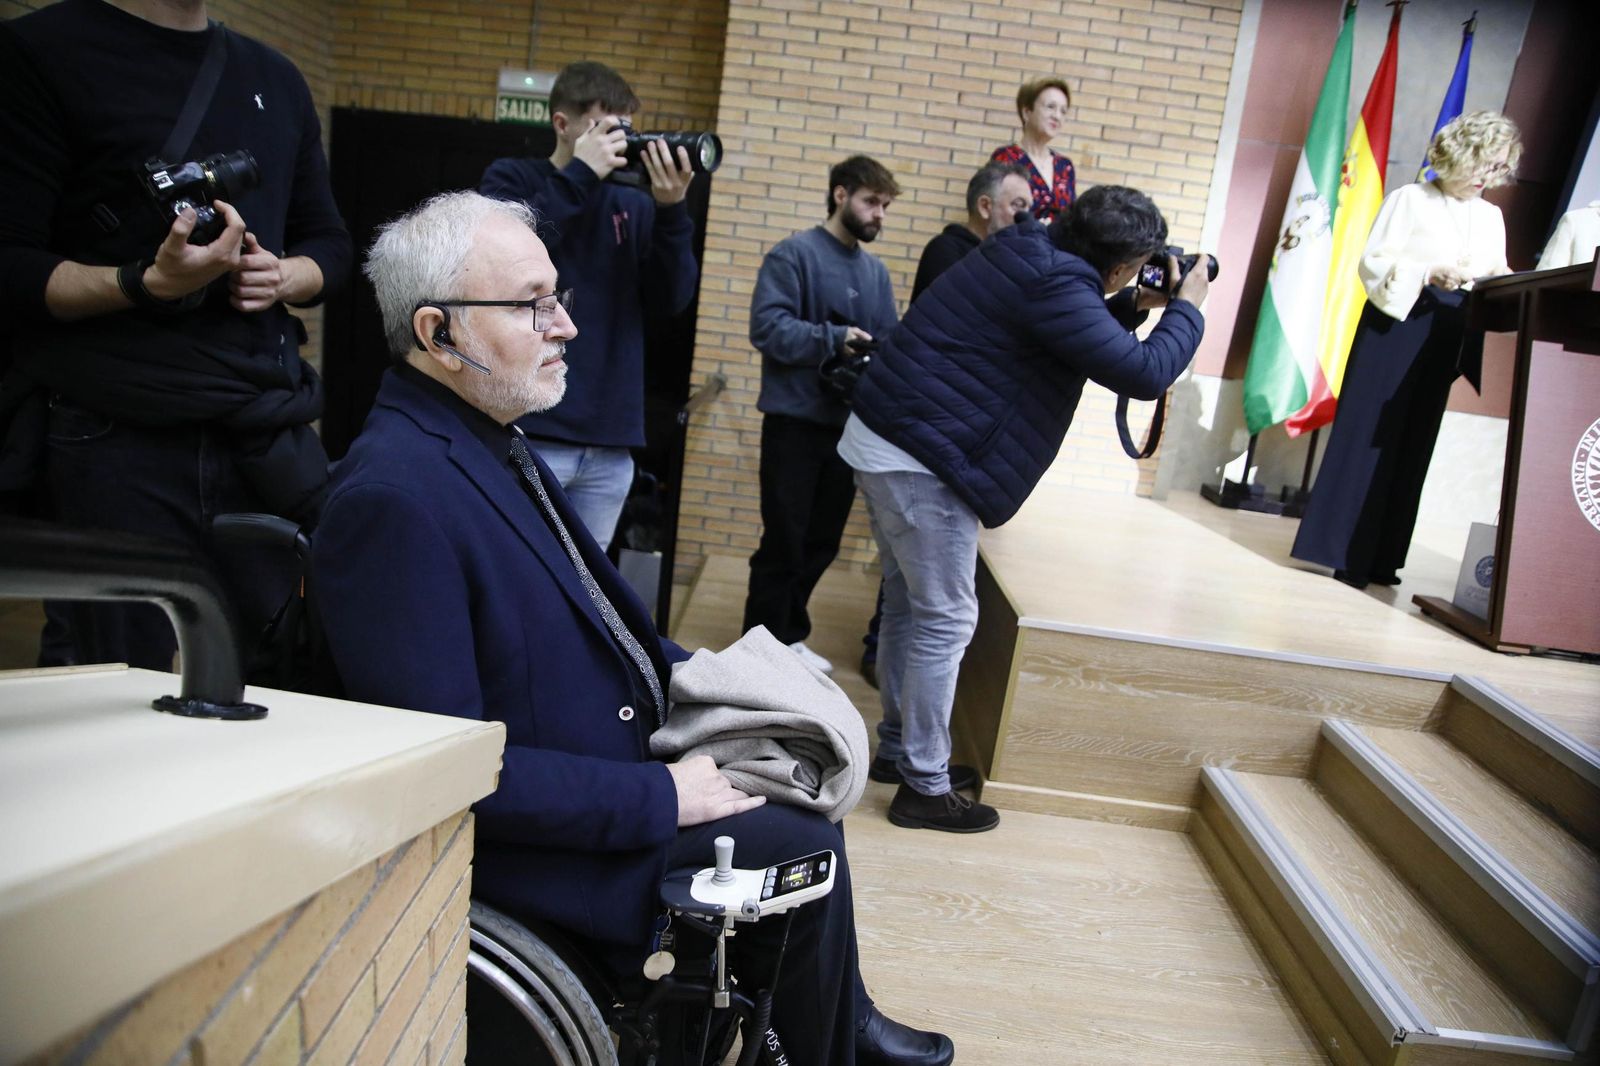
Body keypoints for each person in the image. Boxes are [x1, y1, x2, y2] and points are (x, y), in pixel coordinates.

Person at [313, 191, 953, 1066]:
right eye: (532, 304)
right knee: (802, 836)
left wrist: (742, 707)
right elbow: (442, 777)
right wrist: (663, 796)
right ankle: (833, 1040)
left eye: (558, 296)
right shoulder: (391, 499)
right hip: (540, 851)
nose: (566, 325)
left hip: (608, 764)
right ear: (438, 333)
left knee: (796, 778)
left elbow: (609, 621)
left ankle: (836, 1023)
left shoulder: (484, 437)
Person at [840, 186, 1209, 832]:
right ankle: (922, 787)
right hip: (923, 458)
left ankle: (903, 750)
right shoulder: (1056, 282)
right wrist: (1189, 310)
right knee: (946, 618)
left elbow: (1066, 328)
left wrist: (1130, 305)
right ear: (1119, 265)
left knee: (908, 603)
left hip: (888, 439)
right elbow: (1147, 373)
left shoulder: (1031, 247)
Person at [0, 0, 351, 672]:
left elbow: (330, 245)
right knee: (112, 678)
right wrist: (142, 283)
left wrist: (282, 278)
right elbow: (11, 267)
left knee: (263, 666)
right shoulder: (36, 53)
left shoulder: (274, 77)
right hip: (112, 433)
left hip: (259, 429)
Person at [1292, 111, 1520, 589]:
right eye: (1484, 164)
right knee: (1369, 439)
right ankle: (1344, 553)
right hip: (1398, 326)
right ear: (1459, 154)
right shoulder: (1411, 199)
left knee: (1414, 443)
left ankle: (1383, 557)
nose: (1489, 177)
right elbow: (1373, 263)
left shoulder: (1491, 216)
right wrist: (1427, 272)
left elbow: (1499, 274)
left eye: (1499, 169)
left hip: (1448, 331)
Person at [480, 60, 698, 550]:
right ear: (563, 124)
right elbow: (503, 252)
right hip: (532, 429)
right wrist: (581, 174)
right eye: (607, 128)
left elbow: (672, 299)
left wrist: (671, 210)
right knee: (520, 571)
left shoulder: (633, 202)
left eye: (628, 130)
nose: (622, 142)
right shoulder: (512, 178)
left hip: (610, 443)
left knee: (588, 594)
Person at [860, 161, 1032, 690]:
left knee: (910, 599)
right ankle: (922, 769)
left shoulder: (988, 259)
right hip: (922, 444)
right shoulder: (952, 253)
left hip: (919, 441)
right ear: (986, 207)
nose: (1030, 221)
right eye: (1019, 207)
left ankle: (897, 741)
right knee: (936, 612)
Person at [743, 155, 900, 675]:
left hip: (848, 426)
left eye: (885, 205)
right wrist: (835, 338)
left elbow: (889, 343)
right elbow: (767, 329)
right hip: (793, 422)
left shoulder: (875, 273)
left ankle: (787, 634)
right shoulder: (794, 255)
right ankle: (760, 645)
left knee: (822, 539)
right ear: (840, 195)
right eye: (871, 202)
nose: (879, 214)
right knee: (784, 537)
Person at [990, 77, 1077, 223]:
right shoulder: (1006, 158)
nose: (1057, 116)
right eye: (1050, 107)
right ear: (1027, 112)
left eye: (1063, 111)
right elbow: (997, 213)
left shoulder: (1064, 166)